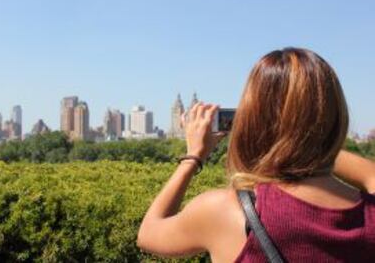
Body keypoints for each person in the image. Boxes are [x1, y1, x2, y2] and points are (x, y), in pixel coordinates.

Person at [136, 48, 375, 262]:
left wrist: (194, 156)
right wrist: (303, 137)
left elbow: (149, 233)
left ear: (253, 120)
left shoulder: (225, 212)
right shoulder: (369, 215)